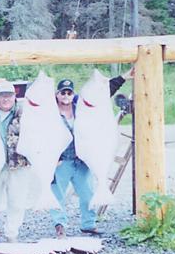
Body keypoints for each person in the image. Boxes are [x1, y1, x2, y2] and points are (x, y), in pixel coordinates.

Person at [50, 67, 134, 239]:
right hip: (61, 161)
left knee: (87, 194)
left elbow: (104, 91)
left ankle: (89, 224)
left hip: (82, 160)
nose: (66, 96)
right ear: (57, 94)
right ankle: (60, 226)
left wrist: (124, 77)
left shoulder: (80, 105)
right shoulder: (48, 111)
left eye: (69, 92)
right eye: (63, 92)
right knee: (57, 195)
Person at [0, 80, 38, 242]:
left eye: (9, 96)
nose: (5, 99)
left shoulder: (26, 111)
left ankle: (12, 233)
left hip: (19, 164)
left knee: (17, 201)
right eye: (2, 96)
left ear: (14, 96)